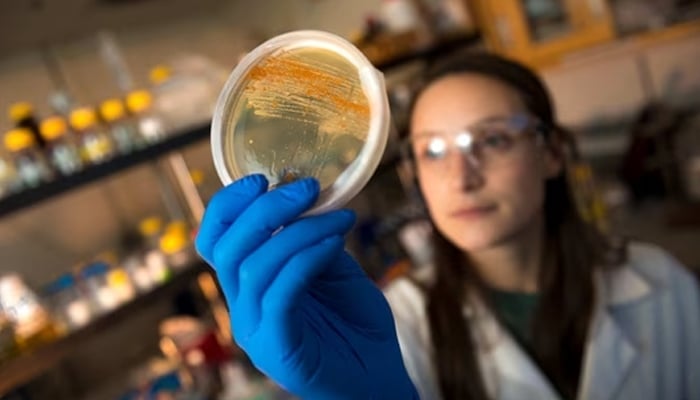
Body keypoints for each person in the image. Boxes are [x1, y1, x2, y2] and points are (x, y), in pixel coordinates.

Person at [195, 52, 700, 400]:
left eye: (494, 140)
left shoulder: (663, 283)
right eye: (433, 151)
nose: (462, 177)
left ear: (552, 153)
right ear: (413, 173)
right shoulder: (388, 331)